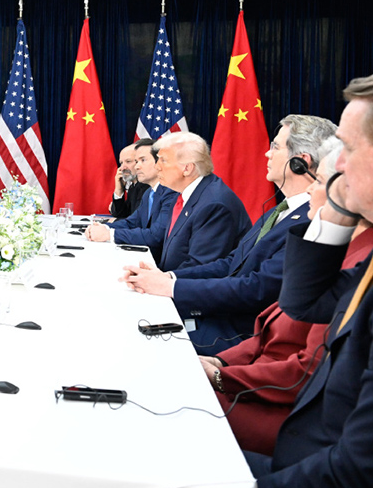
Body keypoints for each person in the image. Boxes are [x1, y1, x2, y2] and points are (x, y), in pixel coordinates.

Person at [200, 138, 373, 457]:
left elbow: (307, 369)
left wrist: (220, 376)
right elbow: (268, 328)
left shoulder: (358, 261)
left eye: (319, 181)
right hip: (253, 379)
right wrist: (221, 360)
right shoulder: (335, 247)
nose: (309, 190)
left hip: (279, 409)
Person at [247, 75, 373, 488]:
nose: (334, 166)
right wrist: (335, 212)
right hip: (305, 456)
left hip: (314, 473)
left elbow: (356, 472)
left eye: (349, 149)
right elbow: (305, 301)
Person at [122, 116, 337, 354]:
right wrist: (169, 277)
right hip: (221, 316)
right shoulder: (278, 211)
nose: (267, 153)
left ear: (300, 161)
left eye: (275, 146)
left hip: (240, 334)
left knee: (136, 341)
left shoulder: (311, 221)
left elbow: (257, 289)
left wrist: (171, 288)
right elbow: (229, 264)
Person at [145, 132, 251, 272]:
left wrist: (163, 279)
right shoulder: (185, 194)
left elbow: (203, 266)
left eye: (163, 160)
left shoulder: (214, 204)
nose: (157, 166)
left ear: (187, 168)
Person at [86, 138, 177, 262]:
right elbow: (132, 222)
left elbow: (156, 236)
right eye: (136, 161)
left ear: (160, 162)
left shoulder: (171, 192)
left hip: (161, 266)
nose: (137, 166)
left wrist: (110, 234)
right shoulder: (149, 193)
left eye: (143, 160)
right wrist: (102, 227)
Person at [109, 143, 150, 219]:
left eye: (128, 161)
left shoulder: (146, 186)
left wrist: (114, 222)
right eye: (121, 163)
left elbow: (135, 221)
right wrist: (119, 190)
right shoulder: (133, 186)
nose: (123, 168)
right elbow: (120, 214)